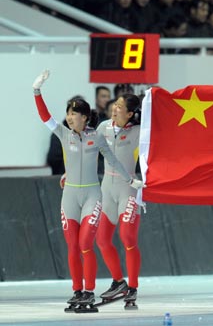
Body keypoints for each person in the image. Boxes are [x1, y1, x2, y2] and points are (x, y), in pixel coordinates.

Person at [32, 70, 144, 310]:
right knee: (83, 244)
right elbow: (45, 117)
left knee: (103, 241)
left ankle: (110, 289)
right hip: (76, 194)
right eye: (68, 114)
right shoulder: (73, 132)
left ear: (84, 117)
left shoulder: (102, 135)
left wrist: (132, 180)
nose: (69, 118)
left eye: (74, 114)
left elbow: (113, 159)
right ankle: (85, 289)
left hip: (99, 194)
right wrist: (36, 91)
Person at [96, 93, 143, 307]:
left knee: (127, 238)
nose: (115, 109)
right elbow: (87, 152)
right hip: (107, 190)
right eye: (115, 104)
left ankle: (132, 287)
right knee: (102, 240)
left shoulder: (138, 132)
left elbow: (156, 151)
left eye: (120, 107)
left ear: (130, 113)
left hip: (128, 190)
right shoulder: (103, 127)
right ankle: (118, 282)